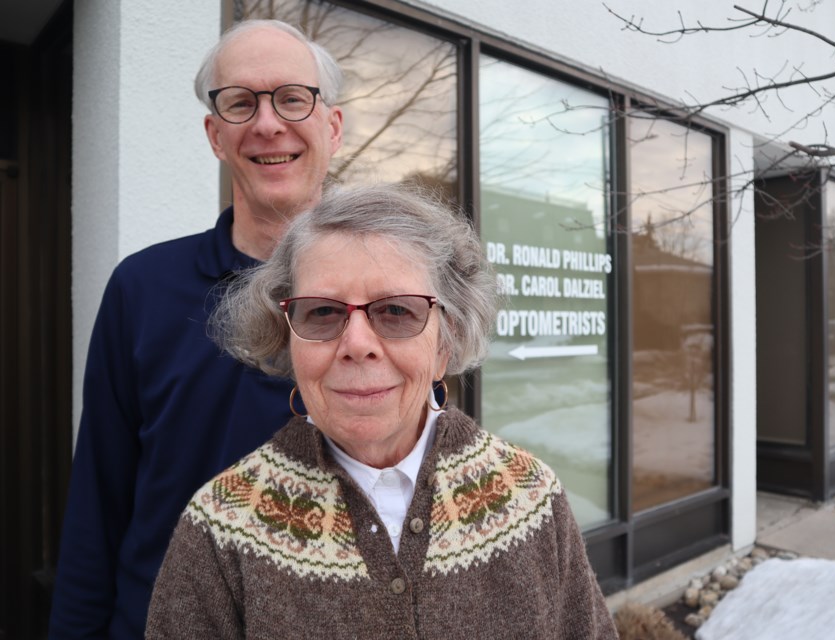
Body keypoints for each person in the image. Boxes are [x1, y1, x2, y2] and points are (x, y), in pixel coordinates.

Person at [145, 184, 618, 639]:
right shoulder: (222, 526)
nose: (357, 345)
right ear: (287, 341)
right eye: (322, 312)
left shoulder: (530, 498)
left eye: (396, 311)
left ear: (445, 343)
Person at [49, 19, 344, 639]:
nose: (268, 124)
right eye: (240, 103)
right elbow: (98, 503)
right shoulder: (142, 288)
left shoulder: (385, 297)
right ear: (215, 135)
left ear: (332, 127)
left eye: (293, 97)